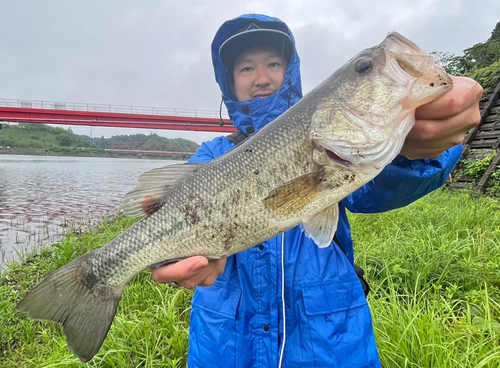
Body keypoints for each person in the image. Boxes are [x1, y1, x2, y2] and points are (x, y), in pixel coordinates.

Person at [149, 14, 482, 368]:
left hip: (328, 344)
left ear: (290, 69)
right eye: (246, 68)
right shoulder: (211, 157)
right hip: (226, 346)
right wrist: (167, 255)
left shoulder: (337, 143)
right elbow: (167, 219)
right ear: (228, 81)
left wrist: (418, 148)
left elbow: (381, 187)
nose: (261, 77)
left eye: (273, 63)